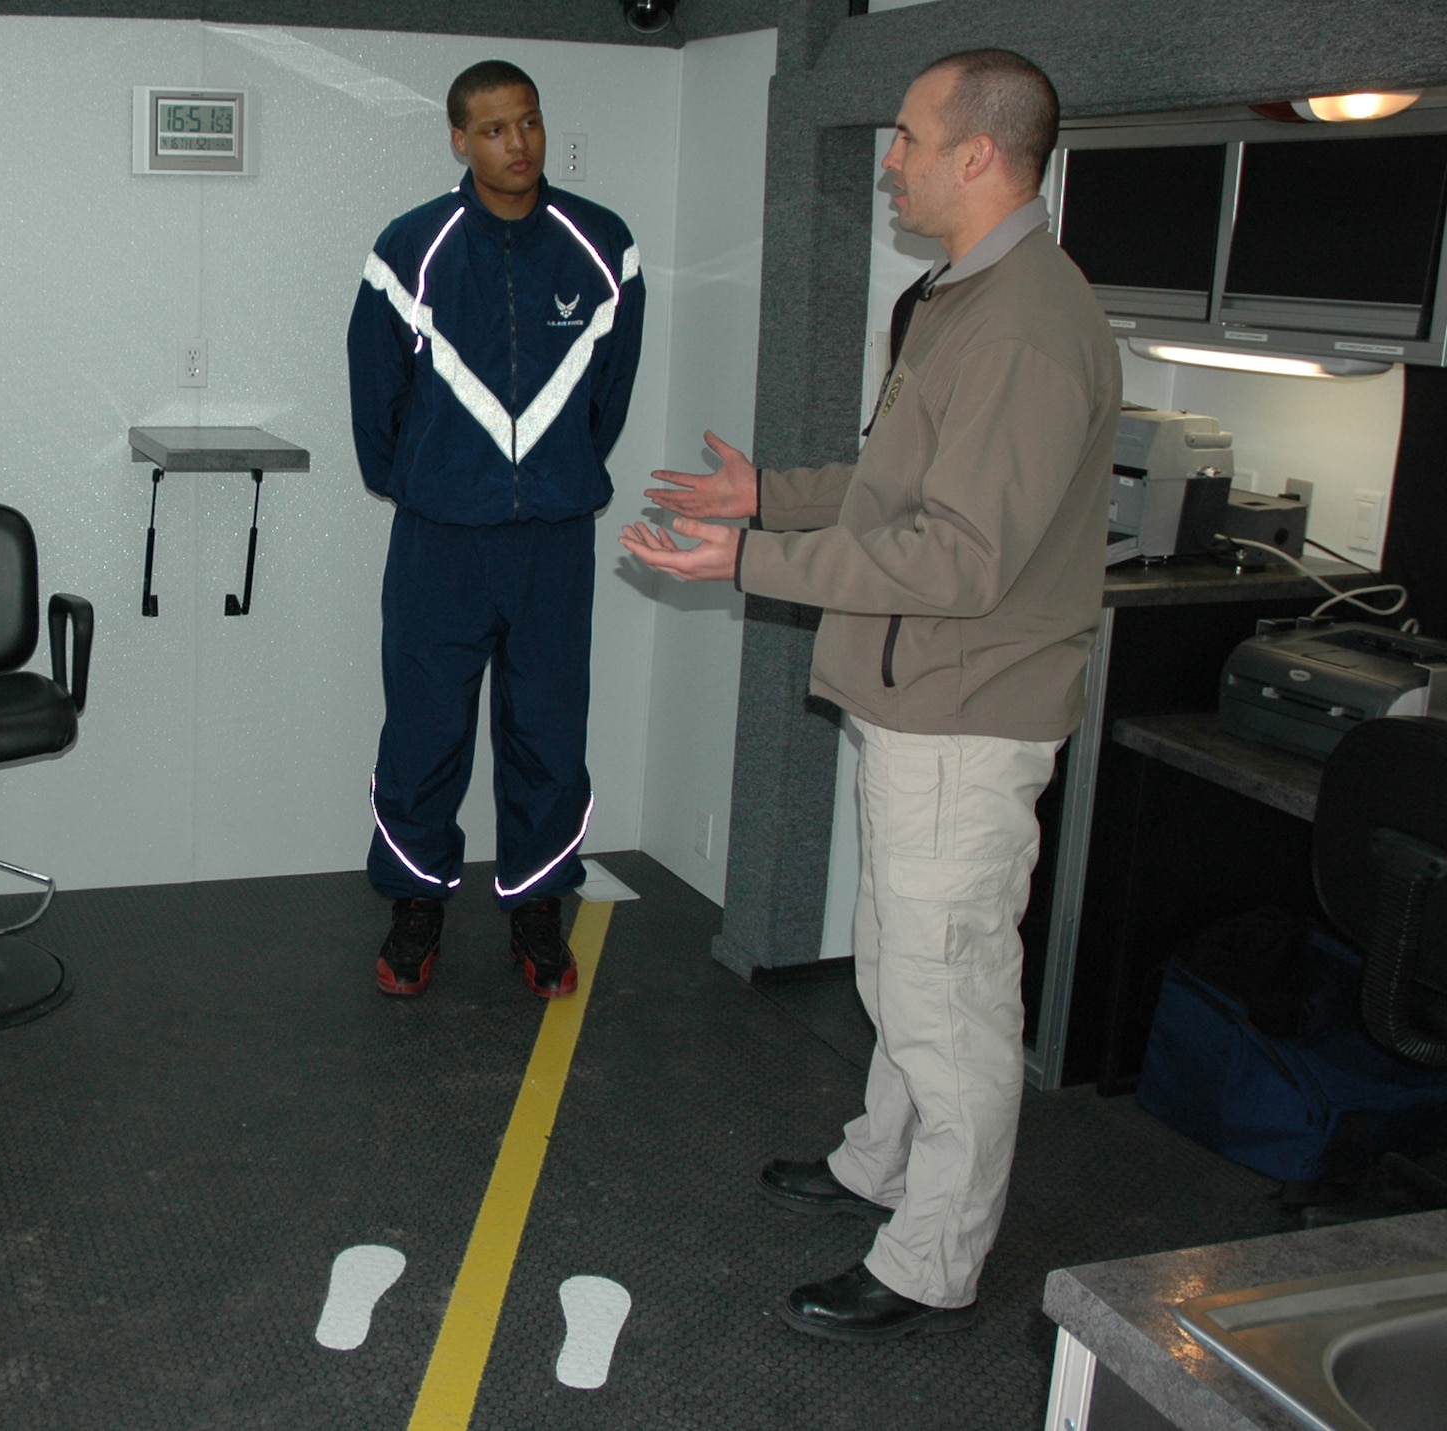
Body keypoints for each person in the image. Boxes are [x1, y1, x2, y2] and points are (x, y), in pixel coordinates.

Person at [620, 49, 1119, 1341]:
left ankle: (932, 1252)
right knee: (906, 960)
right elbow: (892, 484)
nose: (887, 159)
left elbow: (957, 554)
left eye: (905, 137)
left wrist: (749, 559)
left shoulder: (1022, 324)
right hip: (920, 701)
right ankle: (880, 1163)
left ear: (978, 155)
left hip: (967, 710)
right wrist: (767, 499)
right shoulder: (961, 298)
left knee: (946, 989)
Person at [347, 60, 644, 999]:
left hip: (553, 543)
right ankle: (416, 907)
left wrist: (548, 481)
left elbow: (609, 397)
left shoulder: (602, 246)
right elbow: (375, 397)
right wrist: (438, 485)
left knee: (549, 734)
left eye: (530, 123)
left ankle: (538, 909)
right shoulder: (411, 248)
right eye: (493, 130)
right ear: (458, 140)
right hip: (441, 541)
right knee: (425, 733)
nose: (517, 145)